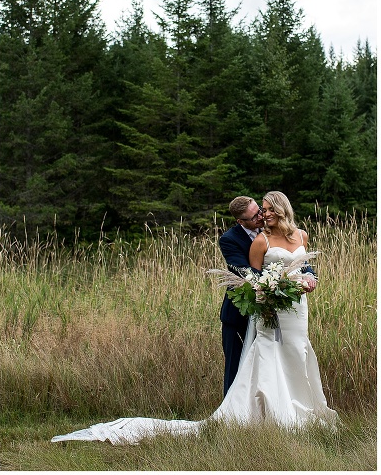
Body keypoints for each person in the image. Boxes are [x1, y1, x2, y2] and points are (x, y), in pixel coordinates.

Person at [52, 190, 336, 445]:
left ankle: (303, 410)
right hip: (261, 307)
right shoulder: (250, 240)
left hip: (296, 310)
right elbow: (253, 277)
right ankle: (262, 416)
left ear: (281, 208)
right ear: (242, 220)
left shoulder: (300, 235)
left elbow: (304, 265)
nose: (262, 215)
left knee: (296, 353)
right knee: (253, 361)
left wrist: (309, 279)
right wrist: (273, 289)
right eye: (258, 213)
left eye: (265, 210)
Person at [218, 196, 264, 394]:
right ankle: (229, 416)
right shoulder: (229, 239)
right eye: (254, 217)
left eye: (260, 210)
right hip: (238, 314)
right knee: (235, 366)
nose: (261, 217)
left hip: (268, 312)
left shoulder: (273, 228)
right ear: (241, 222)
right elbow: (243, 271)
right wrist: (275, 279)